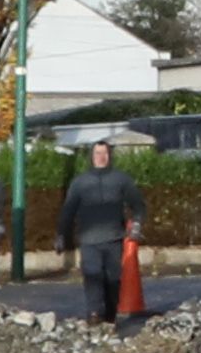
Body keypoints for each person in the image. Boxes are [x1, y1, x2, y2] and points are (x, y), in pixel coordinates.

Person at [61, 135, 145, 323]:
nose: (101, 157)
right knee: (92, 275)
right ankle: (94, 312)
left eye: (104, 153)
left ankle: (110, 313)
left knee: (113, 279)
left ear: (110, 155)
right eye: (97, 153)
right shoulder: (80, 182)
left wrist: (137, 224)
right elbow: (68, 210)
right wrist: (61, 234)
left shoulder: (121, 180)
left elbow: (138, 205)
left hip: (114, 238)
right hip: (89, 239)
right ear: (91, 156)